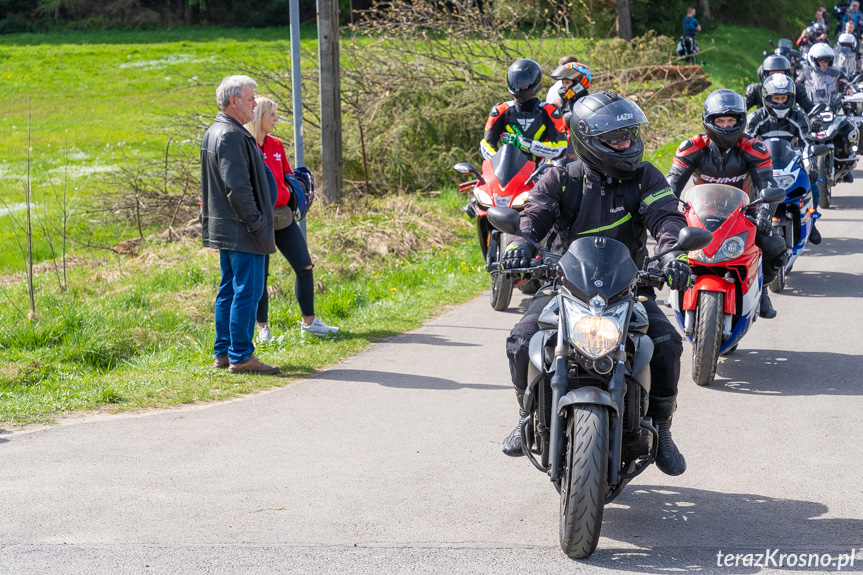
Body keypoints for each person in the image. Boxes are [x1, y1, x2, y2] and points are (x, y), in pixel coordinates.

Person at [501, 91, 691, 477]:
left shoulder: (645, 177)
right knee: (521, 340)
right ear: (587, 140)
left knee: (668, 344)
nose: (626, 143)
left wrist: (674, 255)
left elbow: (666, 217)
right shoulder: (562, 176)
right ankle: (524, 415)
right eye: (615, 138)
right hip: (564, 285)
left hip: (630, 286)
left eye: (629, 135)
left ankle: (664, 430)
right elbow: (535, 212)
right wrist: (521, 243)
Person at [666, 89, 786, 319]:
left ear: (741, 120)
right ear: (708, 121)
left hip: (743, 213)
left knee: (774, 246)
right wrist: (667, 210)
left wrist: (764, 213)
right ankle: (671, 286)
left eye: (732, 120)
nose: (726, 126)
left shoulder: (754, 148)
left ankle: (760, 291)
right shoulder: (692, 146)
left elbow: (766, 183)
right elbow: (672, 182)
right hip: (700, 213)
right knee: (668, 243)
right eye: (719, 120)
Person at [201, 75, 280, 375]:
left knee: (230, 290)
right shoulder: (232, 135)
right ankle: (241, 355)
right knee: (247, 290)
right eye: (250, 99)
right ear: (233, 101)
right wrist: (257, 222)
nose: (255, 104)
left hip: (227, 228)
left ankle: (224, 352)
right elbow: (238, 187)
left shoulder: (216, 131)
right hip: (242, 228)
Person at [244, 97, 340, 340]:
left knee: (305, 265)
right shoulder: (246, 145)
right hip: (260, 220)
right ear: (258, 117)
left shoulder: (276, 144)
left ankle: (309, 323)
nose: (276, 119)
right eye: (271, 115)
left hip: (284, 216)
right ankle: (262, 329)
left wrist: (294, 192)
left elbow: (287, 175)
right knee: (260, 276)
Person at [745, 74, 822, 244]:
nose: (780, 102)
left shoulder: (799, 117)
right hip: (763, 165)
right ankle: (746, 226)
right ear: (767, 98)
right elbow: (746, 144)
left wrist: (812, 166)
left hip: (791, 163)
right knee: (746, 193)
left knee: (814, 187)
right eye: (776, 98)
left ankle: (812, 220)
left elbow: (807, 143)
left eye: (784, 98)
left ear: (791, 98)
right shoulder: (755, 118)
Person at [480, 59, 568, 163]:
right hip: (506, 171)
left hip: (539, 172)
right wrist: (497, 160)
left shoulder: (550, 111)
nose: (519, 87)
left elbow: (560, 149)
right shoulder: (500, 110)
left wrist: (524, 143)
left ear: (535, 81)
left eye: (523, 82)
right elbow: (485, 144)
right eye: (516, 82)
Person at [549, 60, 592, 160]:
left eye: (567, 82)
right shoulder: (560, 103)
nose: (563, 86)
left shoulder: (588, 105)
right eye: (563, 82)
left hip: (580, 156)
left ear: (579, 83)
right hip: (559, 155)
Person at [744, 54, 814, 112]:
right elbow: (742, 109)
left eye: (780, 74)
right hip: (762, 127)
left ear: (787, 75)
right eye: (773, 74)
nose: (777, 77)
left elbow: (810, 109)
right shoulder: (756, 90)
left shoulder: (796, 89)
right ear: (765, 75)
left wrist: (815, 118)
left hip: (791, 127)